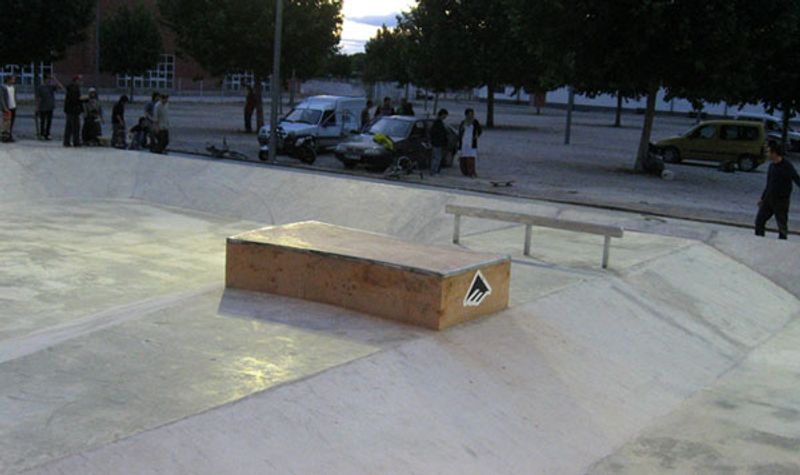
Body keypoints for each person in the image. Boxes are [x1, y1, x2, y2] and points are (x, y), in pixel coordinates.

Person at [755, 142, 800, 240]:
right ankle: (759, 240)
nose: (767, 154)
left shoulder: (786, 166)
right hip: (768, 199)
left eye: (768, 151)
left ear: (774, 153)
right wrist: (762, 198)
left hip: (781, 200)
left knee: (781, 224)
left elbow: (796, 178)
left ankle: (782, 242)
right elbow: (769, 184)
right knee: (759, 221)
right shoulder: (771, 166)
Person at [36, 74, 63, 140]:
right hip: (43, 107)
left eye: (49, 79)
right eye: (48, 79)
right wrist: (37, 107)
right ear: (44, 80)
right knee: (43, 121)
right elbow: (38, 98)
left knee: (49, 121)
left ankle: (47, 134)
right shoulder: (40, 87)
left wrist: (55, 79)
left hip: (50, 106)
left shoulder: (51, 87)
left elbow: (61, 87)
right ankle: (42, 133)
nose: (49, 81)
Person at [458, 108, 483, 178]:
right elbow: (460, 132)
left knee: (471, 158)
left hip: (471, 143)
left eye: (472, 114)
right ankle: (465, 171)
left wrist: (476, 136)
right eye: (469, 114)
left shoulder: (475, 122)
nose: (470, 116)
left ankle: (472, 172)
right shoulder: (463, 122)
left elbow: (479, 130)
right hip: (464, 142)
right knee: (463, 158)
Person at [63, 75, 83, 147]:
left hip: (69, 110)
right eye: (80, 80)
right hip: (73, 110)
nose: (81, 82)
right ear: (76, 81)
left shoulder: (71, 88)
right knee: (75, 127)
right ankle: (76, 141)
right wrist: (82, 100)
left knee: (69, 127)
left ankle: (66, 141)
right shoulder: (74, 89)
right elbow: (75, 99)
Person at [430, 108, 449, 176]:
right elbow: (435, 133)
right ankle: (434, 171)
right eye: (445, 115)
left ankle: (435, 171)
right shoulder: (438, 123)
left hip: (438, 143)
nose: (445, 117)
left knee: (437, 158)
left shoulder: (439, 122)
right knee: (437, 158)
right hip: (437, 143)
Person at [1, 76, 18, 142]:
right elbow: (2, 98)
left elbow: (14, 96)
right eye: (13, 79)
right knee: (6, 123)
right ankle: (4, 137)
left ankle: (9, 135)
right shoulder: (4, 87)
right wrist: (4, 107)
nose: (14, 80)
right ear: (8, 80)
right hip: (7, 108)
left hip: (13, 107)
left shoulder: (14, 87)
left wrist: (16, 105)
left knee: (11, 123)